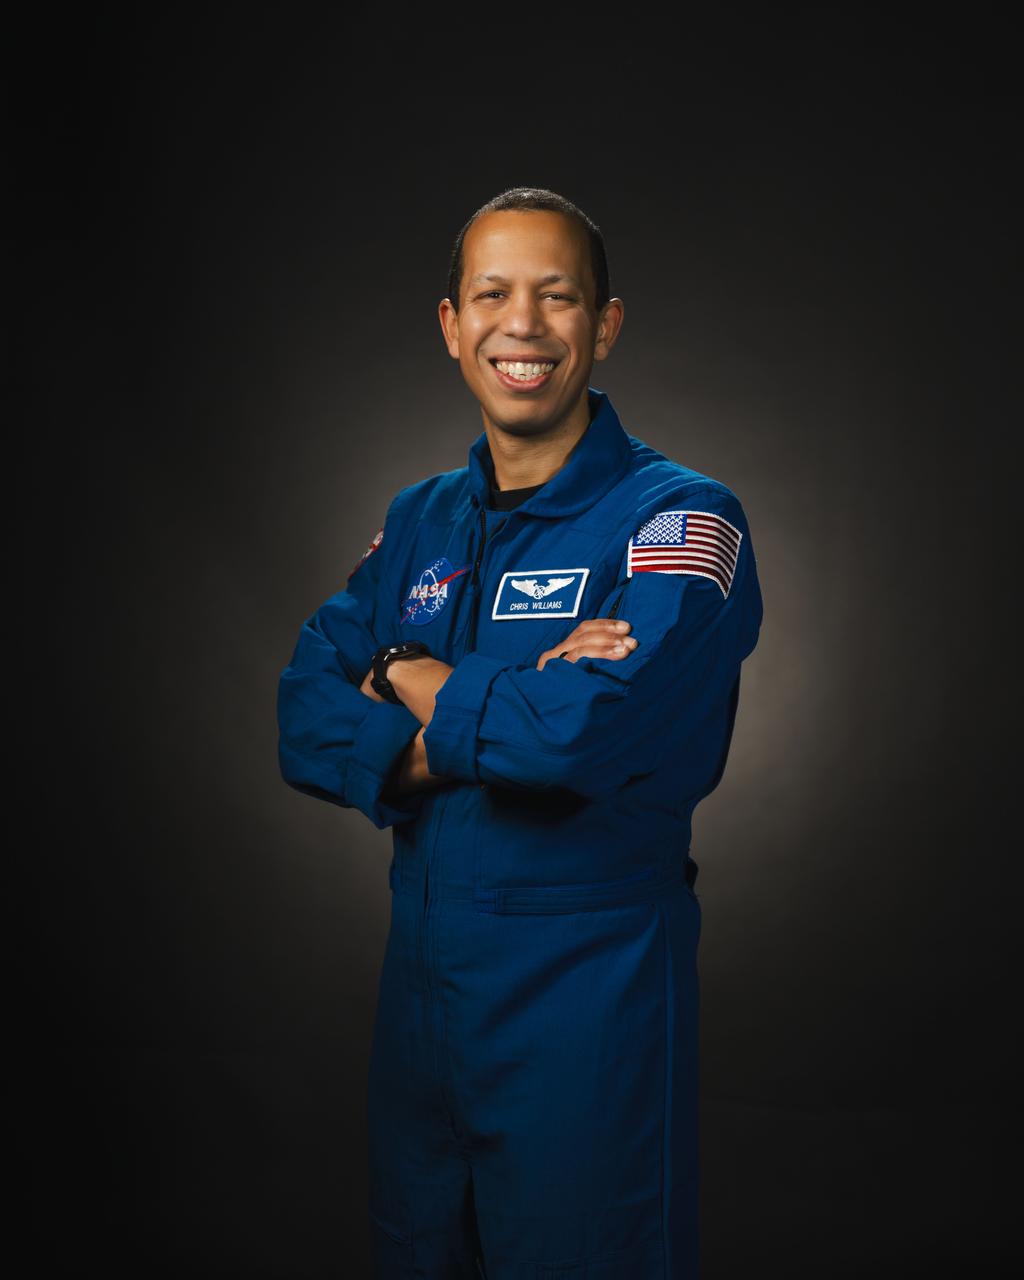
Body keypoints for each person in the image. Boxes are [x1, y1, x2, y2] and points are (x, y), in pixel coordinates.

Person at [277, 186, 763, 1279]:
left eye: (558, 295)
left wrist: (397, 674)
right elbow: (302, 715)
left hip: (585, 1011)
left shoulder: (680, 520)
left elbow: (570, 742)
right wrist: (469, 690)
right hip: (421, 1012)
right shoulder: (417, 521)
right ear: (452, 326)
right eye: (492, 295)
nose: (523, 325)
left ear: (606, 323)